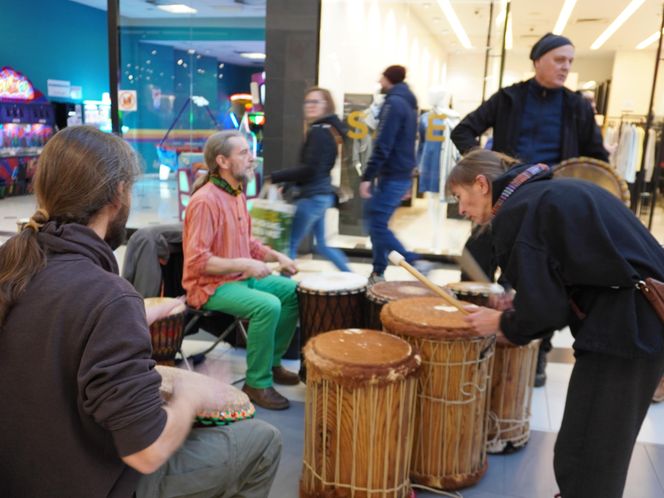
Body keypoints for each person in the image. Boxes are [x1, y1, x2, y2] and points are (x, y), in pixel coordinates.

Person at [0, 126, 282, 497]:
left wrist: (137, 318)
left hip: (23, 472)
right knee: (263, 439)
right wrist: (191, 396)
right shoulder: (108, 296)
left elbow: (48, 325)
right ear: (118, 194)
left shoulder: (14, 261)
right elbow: (147, 452)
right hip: (94, 482)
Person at [446, 148, 664, 498]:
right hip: (638, 321)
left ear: (482, 184)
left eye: (460, 197)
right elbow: (568, 278)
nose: (462, 210)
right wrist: (522, 302)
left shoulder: (517, 213)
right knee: (594, 447)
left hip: (627, 328)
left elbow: (545, 312)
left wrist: (503, 322)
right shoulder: (549, 192)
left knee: (588, 453)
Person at [450, 33, 609, 386]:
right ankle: (466, 336)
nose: (566, 67)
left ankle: (535, 353)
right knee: (473, 262)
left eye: (570, 60)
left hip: (547, 212)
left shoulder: (577, 106)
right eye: (559, 60)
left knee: (539, 282)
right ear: (538, 60)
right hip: (501, 203)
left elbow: (596, 159)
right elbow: (463, 130)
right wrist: (483, 164)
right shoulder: (508, 98)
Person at [183, 130, 300, 411]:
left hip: (238, 279)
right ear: (222, 161)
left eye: (250, 152)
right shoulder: (205, 201)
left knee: (293, 292)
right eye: (244, 153)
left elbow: (246, 241)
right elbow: (197, 261)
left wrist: (276, 256)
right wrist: (246, 264)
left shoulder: (235, 194)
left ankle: (271, 364)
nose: (252, 158)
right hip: (209, 287)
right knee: (268, 306)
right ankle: (257, 383)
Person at [359, 65, 429, 283]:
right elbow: (410, 142)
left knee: (376, 223)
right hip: (398, 174)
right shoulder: (408, 104)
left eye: (381, 76)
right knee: (377, 222)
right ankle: (378, 271)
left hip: (391, 176)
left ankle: (413, 261)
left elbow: (384, 143)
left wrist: (367, 176)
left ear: (388, 79)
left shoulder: (394, 103)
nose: (379, 81)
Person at [269, 87, 351, 271]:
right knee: (322, 244)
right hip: (322, 195)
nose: (310, 106)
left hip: (311, 197)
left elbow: (310, 169)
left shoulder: (319, 131)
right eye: (308, 102)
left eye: (316, 102)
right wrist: (289, 182)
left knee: (288, 244)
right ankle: (354, 278)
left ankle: (286, 287)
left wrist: (277, 177)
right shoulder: (329, 129)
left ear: (327, 105)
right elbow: (315, 166)